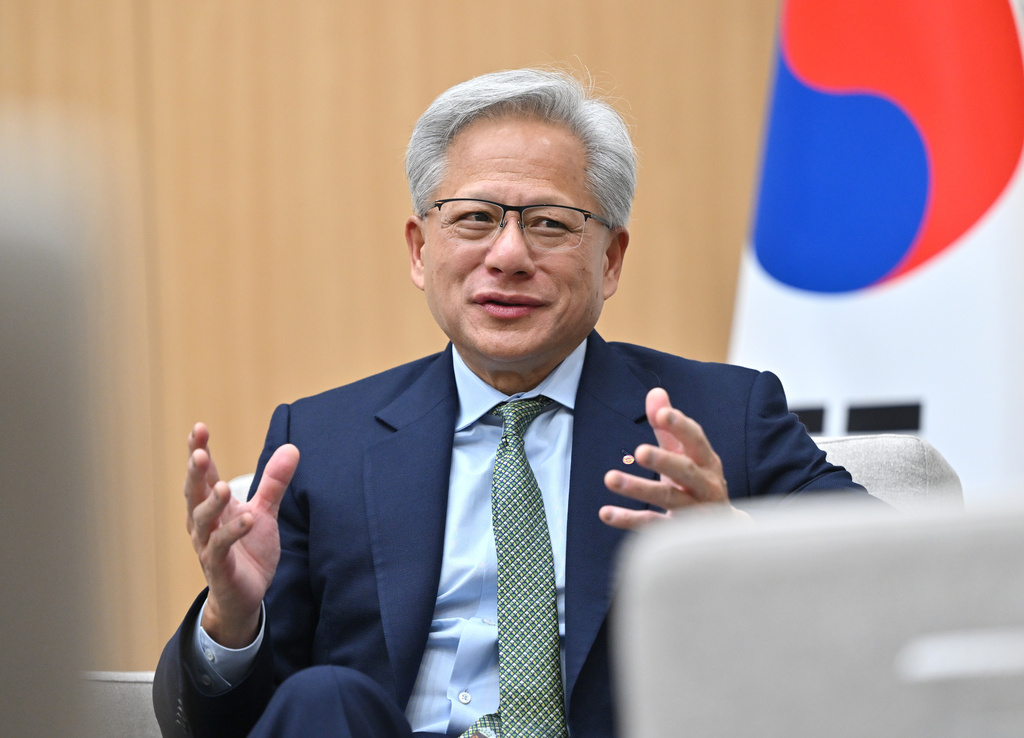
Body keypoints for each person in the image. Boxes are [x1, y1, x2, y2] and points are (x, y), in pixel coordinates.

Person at [153, 68, 869, 738]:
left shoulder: (720, 417)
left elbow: (900, 583)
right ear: (418, 250)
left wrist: (735, 543)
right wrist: (232, 619)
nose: (509, 255)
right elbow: (219, 724)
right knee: (322, 697)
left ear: (611, 260)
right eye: (474, 219)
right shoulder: (321, 441)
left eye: (552, 224)